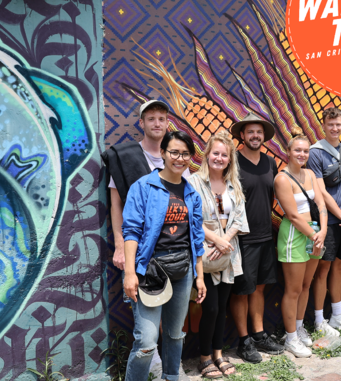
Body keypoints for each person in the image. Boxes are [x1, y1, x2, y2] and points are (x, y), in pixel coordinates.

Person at [102, 100, 191, 374]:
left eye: (161, 118)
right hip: (141, 253)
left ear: (167, 123)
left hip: (176, 253)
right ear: (141, 123)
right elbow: (117, 204)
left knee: (174, 326)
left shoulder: (177, 158)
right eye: (150, 118)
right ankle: (152, 363)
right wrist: (119, 244)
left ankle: (169, 370)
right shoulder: (126, 157)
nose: (157, 123)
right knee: (146, 331)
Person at [121, 131, 206, 381]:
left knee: (175, 334)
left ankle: (171, 377)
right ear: (163, 153)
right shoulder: (144, 187)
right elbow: (131, 232)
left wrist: (199, 277)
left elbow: (197, 239)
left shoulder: (191, 193)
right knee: (147, 341)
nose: (179, 159)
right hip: (150, 271)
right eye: (174, 152)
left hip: (183, 270)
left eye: (185, 154)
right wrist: (129, 273)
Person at [189, 132, 250, 379]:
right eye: (216, 153)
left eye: (224, 155)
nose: (219, 158)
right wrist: (216, 240)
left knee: (222, 307)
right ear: (207, 154)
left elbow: (239, 218)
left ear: (230, 159)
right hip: (205, 252)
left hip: (228, 253)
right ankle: (204, 358)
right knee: (210, 308)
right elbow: (192, 218)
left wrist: (224, 241)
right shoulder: (194, 182)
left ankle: (218, 354)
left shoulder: (234, 185)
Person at [229, 113, 284, 363]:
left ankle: (259, 334)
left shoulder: (270, 162)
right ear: (242, 135)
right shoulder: (233, 160)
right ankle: (244, 340)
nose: (255, 136)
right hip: (241, 237)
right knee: (242, 290)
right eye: (250, 132)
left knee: (259, 287)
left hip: (265, 235)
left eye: (259, 132)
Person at [274, 128, 329, 358]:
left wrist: (323, 231)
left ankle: (298, 326)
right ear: (288, 151)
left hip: (315, 234)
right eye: (297, 150)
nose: (302, 154)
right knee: (294, 289)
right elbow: (293, 215)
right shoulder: (281, 178)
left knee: (306, 285)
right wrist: (314, 235)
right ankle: (291, 338)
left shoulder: (310, 175)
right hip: (295, 236)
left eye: (305, 151)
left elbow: (322, 204)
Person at [307, 107, 341, 334]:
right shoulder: (315, 153)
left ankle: (338, 315)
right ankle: (319, 319)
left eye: (338, 124)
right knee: (323, 268)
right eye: (331, 124)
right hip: (328, 221)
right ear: (324, 125)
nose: (335, 128)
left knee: (340, 266)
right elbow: (320, 191)